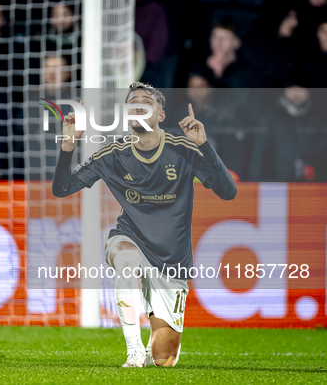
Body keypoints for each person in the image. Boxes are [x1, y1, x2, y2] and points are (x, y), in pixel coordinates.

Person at [52, 83, 236, 367]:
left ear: (160, 114)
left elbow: (228, 191)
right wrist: (68, 146)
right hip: (130, 238)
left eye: (145, 101)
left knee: (164, 358)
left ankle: (153, 342)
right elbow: (63, 188)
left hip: (172, 260)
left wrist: (204, 144)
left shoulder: (183, 150)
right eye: (132, 101)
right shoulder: (112, 154)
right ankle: (134, 350)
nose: (138, 104)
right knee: (126, 259)